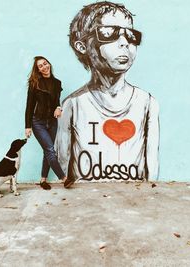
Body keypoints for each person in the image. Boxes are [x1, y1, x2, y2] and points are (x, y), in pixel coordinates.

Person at [56, 1, 159, 183]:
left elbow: (152, 168)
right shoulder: (73, 105)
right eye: (108, 33)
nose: (124, 43)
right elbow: (62, 163)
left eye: (130, 35)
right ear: (82, 46)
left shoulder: (147, 103)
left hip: (134, 204)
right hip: (87, 204)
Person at [25, 56, 73, 189]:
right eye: (40, 66)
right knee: (50, 150)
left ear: (49, 64)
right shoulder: (35, 83)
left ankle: (43, 180)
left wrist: (59, 107)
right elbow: (29, 106)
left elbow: (56, 101)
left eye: (45, 64)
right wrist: (28, 126)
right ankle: (64, 178)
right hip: (38, 122)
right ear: (38, 70)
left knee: (47, 151)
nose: (44, 67)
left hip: (52, 122)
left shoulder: (57, 83)